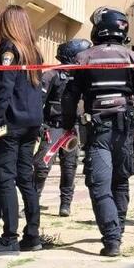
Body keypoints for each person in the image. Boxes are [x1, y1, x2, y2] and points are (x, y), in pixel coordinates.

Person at [61, 7, 134, 256]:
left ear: (99, 28)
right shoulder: (133, 57)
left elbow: (70, 97)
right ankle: (117, 231)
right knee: (121, 182)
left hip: (98, 130)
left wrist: (69, 126)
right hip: (125, 128)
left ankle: (112, 240)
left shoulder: (84, 58)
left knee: (100, 185)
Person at [0, 6, 44, 257]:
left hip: (12, 124)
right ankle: (33, 234)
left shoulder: (9, 49)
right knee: (25, 178)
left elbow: (4, 89)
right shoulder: (34, 50)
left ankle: (9, 237)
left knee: (5, 178)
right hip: (31, 123)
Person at [33, 38, 89, 217]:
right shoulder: (52, 75)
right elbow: (39, 101)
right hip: (53, 127)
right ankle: (33, 201)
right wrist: (38, 125)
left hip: (71, 129)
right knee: (42, 165)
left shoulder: (81, 77)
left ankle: (65, 204)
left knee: (70, 167)